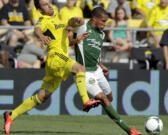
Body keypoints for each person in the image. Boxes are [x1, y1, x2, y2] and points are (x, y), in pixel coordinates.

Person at [3, 0, 101, 134]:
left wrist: (76, 39)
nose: (49, 5)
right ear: (40, 10)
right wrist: (41, 35)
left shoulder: (58, 20)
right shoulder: (44, 19)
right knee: (80, 69)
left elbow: (67, 35)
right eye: (45, 4)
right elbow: (37, 28)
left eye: (49, 3)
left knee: (41, 97)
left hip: (57, 62)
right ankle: (85, 100)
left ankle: (11, 115)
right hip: (56, 57)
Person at [68, 7, 141, 135]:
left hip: (97, 70)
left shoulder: (101, 34)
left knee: (109, 98)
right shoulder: (83, 27)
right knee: (103, 99)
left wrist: (101, 65)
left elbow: (95, 52)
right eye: (103, 21)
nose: (104, 24)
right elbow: (71, 24)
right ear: (94, 19)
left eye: (106, 21)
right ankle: (129, 130)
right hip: (85, 72)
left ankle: (92, 103)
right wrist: (75, 19)